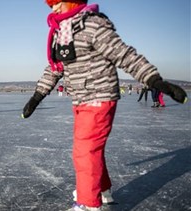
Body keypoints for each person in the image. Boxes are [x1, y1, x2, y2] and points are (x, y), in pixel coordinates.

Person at [21, 1, 188, 210]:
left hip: (99, 95)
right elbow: (55, 68)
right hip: (80, 98)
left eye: (58, 3)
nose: (53, 9)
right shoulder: (62, 31)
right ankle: (101, 190)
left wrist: (154, 80)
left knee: (85, 151)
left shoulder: (92, 24)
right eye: (51, 5)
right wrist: (37, 96)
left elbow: (123, 54)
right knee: (91, 150)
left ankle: (88, 203)